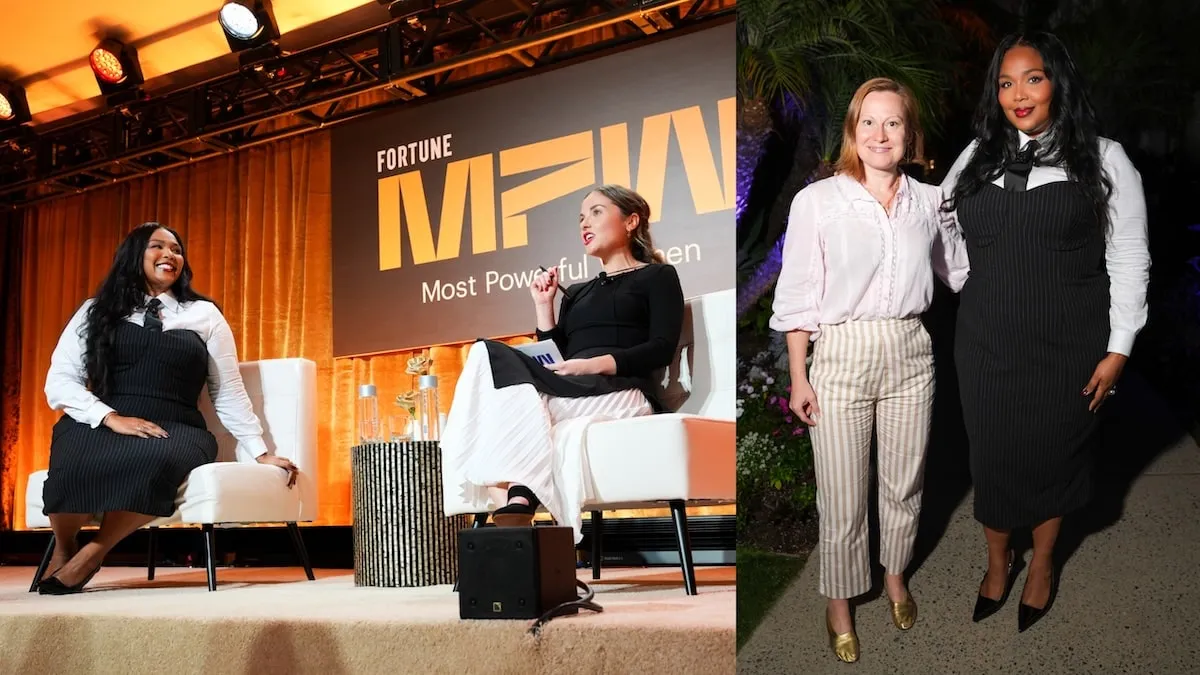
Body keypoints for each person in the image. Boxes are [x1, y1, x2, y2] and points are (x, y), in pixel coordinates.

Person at [940, 31, 1150, 632]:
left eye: (1032, 78)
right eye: (1005, 83)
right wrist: (963, 281)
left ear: (1057, 80)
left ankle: (1044, 564)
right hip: (985, 343)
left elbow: (1130, 257)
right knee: (994, 456)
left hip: (1069, 346)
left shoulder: (1105, 158)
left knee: (1055, 455)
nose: (1018, 94)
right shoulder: (978, 152)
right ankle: (998, 562)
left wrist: (1119, 349)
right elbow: (942, 227)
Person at [771, 77, 969, 663]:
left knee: (904, 486)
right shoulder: (819, 200)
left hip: (911, 350)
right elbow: (799, 293)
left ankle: (895, 576)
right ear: (853, 132)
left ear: (910, 133)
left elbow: (958, 271)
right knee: (841, 495)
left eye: (893, 123)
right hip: (841, 353)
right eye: (869, 123)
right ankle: (839, 600)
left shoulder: (931, 201)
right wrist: (799, 375)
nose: (881, 134)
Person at [39, 222, 298, 595]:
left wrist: (259, 451)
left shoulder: (205, 315)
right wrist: (110, 418)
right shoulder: (95, 311)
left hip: (177, 424)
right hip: (107, 415)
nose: (170, 255)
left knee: (157, 456)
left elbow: (226, 389)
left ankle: (94, 552)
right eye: (157, 247)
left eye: (176, 249)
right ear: (134, 256)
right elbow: (60, 380)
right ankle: (65, 548)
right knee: (74, 450)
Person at [440, 185, 685, 543]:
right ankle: (517, 510)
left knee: (519, 414)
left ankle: (518, 499)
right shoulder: (580, 292)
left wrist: (592, 365)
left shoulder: (657, 277)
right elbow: (556, 356)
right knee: (485, 353)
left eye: (597, 212)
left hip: (621, 388)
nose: (585, 223)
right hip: (571, 386)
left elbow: (661, 348)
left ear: (631, 221)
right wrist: (545, 306)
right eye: (582, 217)